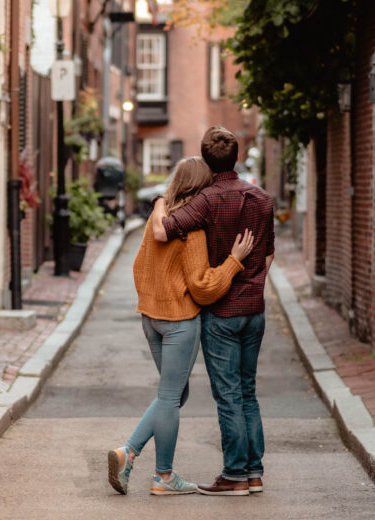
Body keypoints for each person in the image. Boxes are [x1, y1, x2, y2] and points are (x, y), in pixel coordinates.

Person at [108, 156, 255, 496]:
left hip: (151, 318)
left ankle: (128, 454)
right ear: (202, 187)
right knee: (172, 396)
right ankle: (161, 475)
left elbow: (139, 267)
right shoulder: (194, 227)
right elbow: (204, 286)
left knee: (173, 394)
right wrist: (234, 261)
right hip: (179, 322)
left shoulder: (158, 216)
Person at [150, 126, 275, 496]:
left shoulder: (205, 201)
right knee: (248, 391)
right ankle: (254, 474)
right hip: (255, 309)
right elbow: (268, 254)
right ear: (237, 157)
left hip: (221, 312)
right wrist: (253, 284)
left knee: (229, 394)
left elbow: (162, 233)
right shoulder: (263, 199)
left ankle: (234, 474)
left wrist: (161, 201)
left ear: (205, 160)